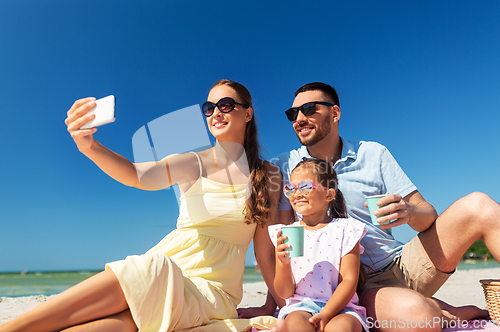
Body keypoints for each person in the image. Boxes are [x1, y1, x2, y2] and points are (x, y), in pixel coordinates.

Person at [0, 79, 282, 332]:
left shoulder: (268, 175)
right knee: (126, 317)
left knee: (152, 273)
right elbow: (136, 175)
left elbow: (266, 250)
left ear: (248, 113)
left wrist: (275, 305)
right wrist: (88, 146)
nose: (216, 112)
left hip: (213, 292)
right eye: (209, 107)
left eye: (226, 104)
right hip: (167, 270)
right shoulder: (193, 163)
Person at [263, 82, 498, 331]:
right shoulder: (286, 166)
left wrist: (409, 213)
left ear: (334, 113)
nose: (299, 118)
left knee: (479, 205)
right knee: (422, 319)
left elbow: (428, 214)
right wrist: (272, 304)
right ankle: (439, 311)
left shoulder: (372, 154)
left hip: (401, 263)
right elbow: (286, 237)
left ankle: (436, 308)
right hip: (355, 288)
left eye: (309, 109)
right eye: (293, 114)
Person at [269, 158, 368, 332]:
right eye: (290, 189)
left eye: (305, 187)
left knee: (342, 328)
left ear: (329, 194)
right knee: (295, 326)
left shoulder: (345, 229)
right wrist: (283, 264)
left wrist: (327, 313)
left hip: (342, 307)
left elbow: (349, 280)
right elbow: (284, 293)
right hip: (300, 307)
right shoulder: (287, 233)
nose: (297, 194)